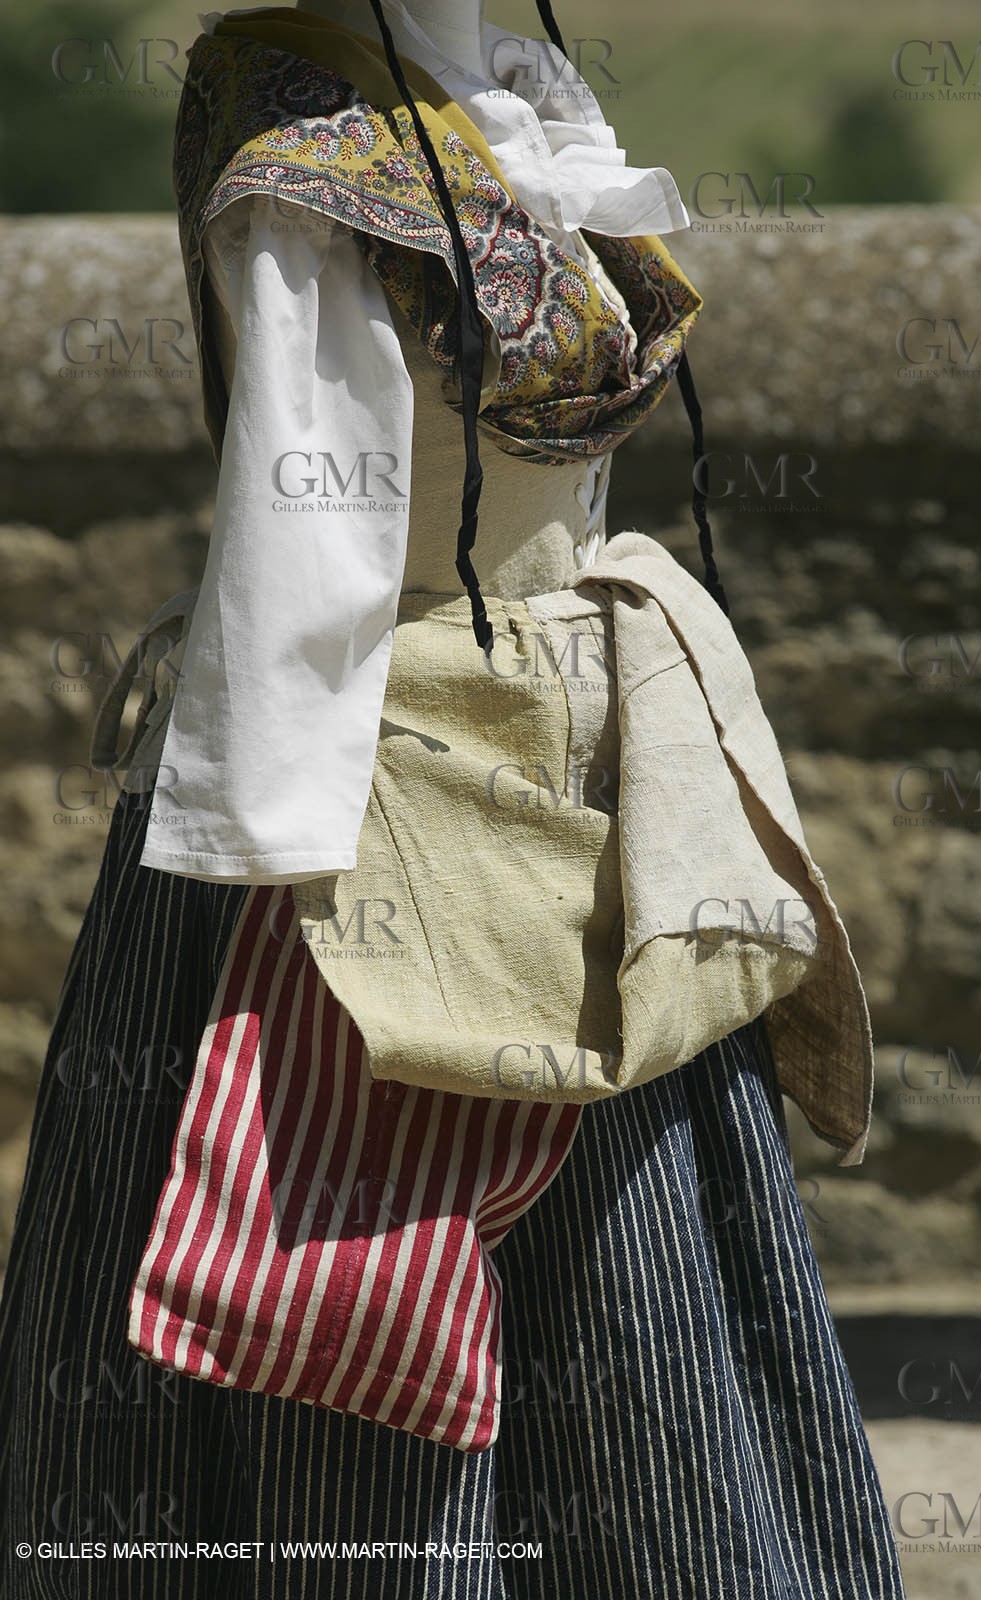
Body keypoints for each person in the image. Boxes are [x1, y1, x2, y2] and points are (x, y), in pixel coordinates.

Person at [0, 2, 907, 1596]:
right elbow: (306, 522)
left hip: (570, 740)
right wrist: (290, 910)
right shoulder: (304, 147)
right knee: (355, 1296)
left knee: (640, 1305)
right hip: (362, 776)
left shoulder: (503, 86)